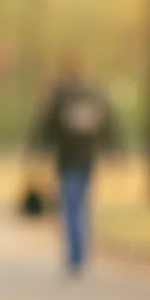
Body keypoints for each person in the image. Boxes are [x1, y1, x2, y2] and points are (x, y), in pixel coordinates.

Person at [30, 55, 120, 274]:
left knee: (70, 206)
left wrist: (39, 149)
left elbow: (46, 126)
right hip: (88, 158)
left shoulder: (61, 95)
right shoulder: (94, 94)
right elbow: (109, 124)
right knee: (81, 203)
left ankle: (75, 253)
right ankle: (80, 250)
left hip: (67, 159)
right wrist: (112, 149)